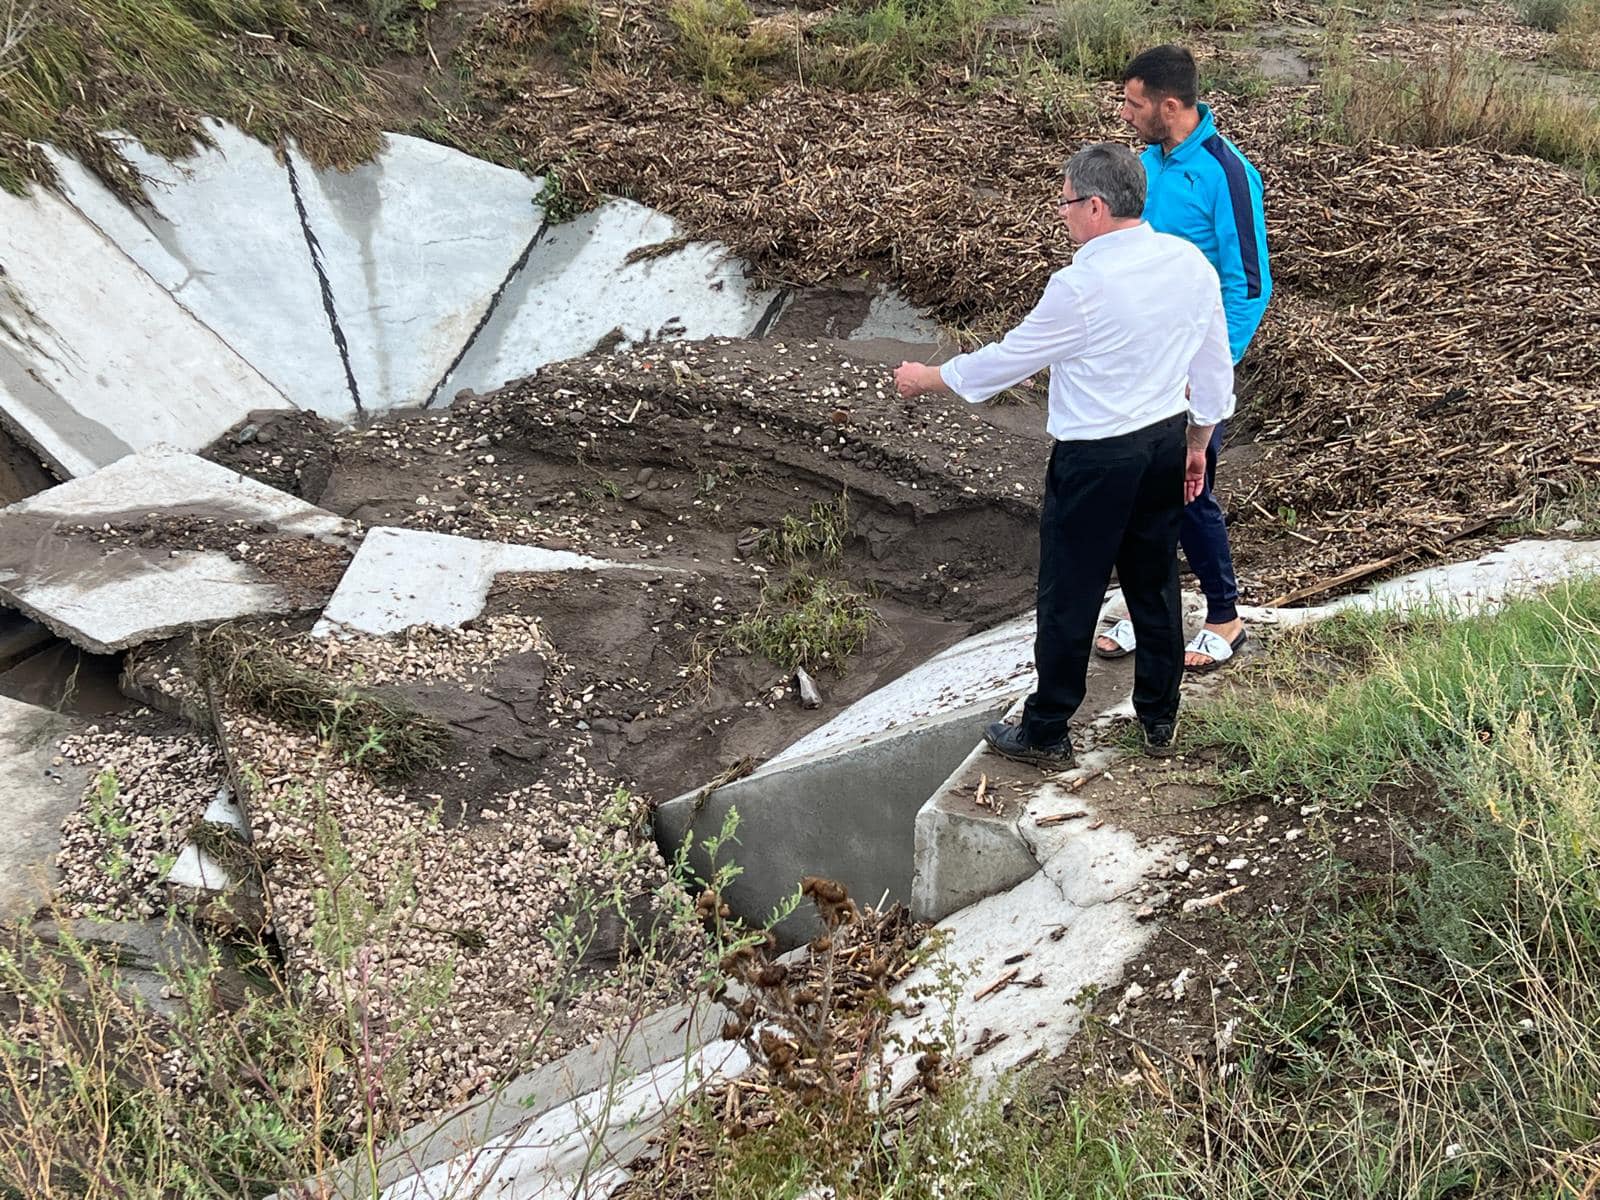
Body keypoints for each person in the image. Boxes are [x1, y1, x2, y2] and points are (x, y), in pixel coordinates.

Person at [893, 143, 1233, 767]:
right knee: (1154, 582)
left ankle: (1047, 728)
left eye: (1067, 202)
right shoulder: (1189, 263)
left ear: (1097, 207)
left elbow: (1008, 359)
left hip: (1096, 458)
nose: (1063, 214)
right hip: (1163, 441)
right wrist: (1197, 442)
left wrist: (929, 377)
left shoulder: (1081, 285)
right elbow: (1212, 361)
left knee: (1070, 592)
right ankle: (1160, 719)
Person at [1094, 44, 1272, 674]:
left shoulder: (1227, 174)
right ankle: (1147, 608)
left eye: (1133, 102)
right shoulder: (1144, 165)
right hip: (1140, 363)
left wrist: (1211, 371)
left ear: (1170, 105)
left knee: (1190, 492)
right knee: (1136, 488)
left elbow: (1249, 284)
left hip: (1193, 368)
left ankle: (1225, 616)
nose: (1125, 112)